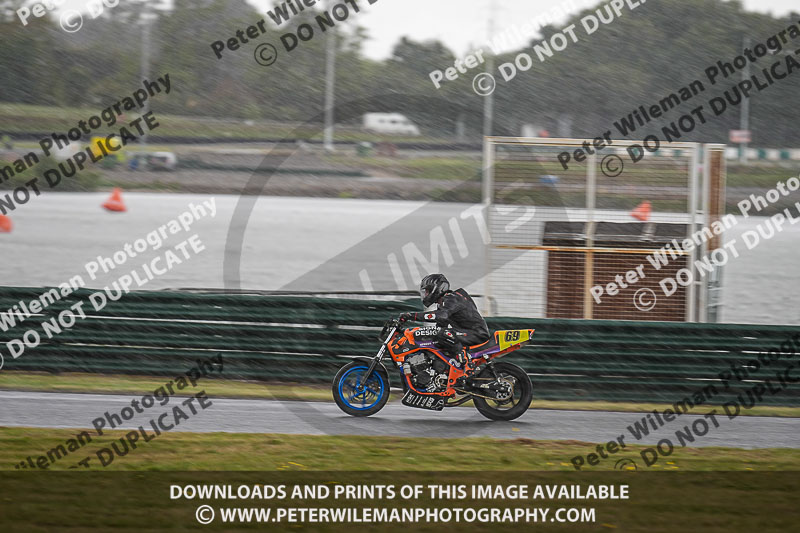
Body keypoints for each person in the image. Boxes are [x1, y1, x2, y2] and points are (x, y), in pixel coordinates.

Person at [399, 274, 490, 366]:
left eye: (427, 291)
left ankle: (462, 361)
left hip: (477, 334)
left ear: (436, 288)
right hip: (466, 333)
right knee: (436, 336)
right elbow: (440, 325)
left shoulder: (452, 298)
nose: (425, 295)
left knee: (444, 333)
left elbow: (441, 316)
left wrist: (412, 316)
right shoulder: (444, 304)